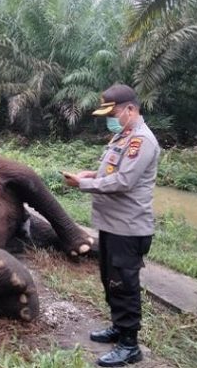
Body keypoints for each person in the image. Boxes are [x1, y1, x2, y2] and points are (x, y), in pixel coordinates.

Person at [62, 83, 160, 367]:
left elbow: (124, 182)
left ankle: (130, 345)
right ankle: (119, 327)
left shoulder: (142, 140)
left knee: (125, 284)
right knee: (110, 280)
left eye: (114, 112)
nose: (110, 118)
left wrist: (84, 184)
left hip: (128, 228)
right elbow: (111, 171)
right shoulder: (122, 136)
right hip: (111, 225)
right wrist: (91, 173)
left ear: (130, 109)